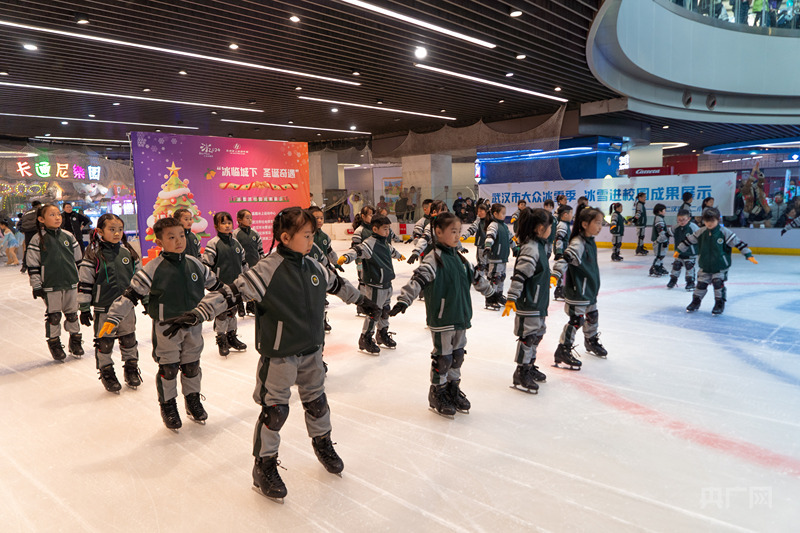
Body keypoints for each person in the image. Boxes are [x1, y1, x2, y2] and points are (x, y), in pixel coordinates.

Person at [161, 207, 381, 501]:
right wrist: (197, 314)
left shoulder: (314, 266)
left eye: (313, 234)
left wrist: (363, 302)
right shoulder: (267, 269)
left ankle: (323, 443)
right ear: (286, 237)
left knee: (317, 403)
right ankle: (263, 465)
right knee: (275, 412)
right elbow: (230, 293)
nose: (311, 239)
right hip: (280, 356)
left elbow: (339, 284)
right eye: (306, 235)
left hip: (312, 352)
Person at [99, 217, 221, 429]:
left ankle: (192, 400)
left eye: (181, 235)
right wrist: (113, 317)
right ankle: (168, 405)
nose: (178, 241)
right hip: (167, 328)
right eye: (171, 237)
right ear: (159, 242)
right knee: (169, 368)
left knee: (192, 366)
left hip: (193, 325)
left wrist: (235, 301)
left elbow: (219, 288)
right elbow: (131, 295)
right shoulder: (153, 268)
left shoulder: (196, 264)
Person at [390, 212, 499, 418]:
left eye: (459, 231)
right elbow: (418, 280)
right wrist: (404, 300)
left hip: (461, 316)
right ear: (438, 232)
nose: (458, 236)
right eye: (453, 231)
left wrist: (491, 294)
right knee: (443, 358)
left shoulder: (460, 259)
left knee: (457, 356)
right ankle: (437, 391)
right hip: (442, 318)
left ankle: (452, 388)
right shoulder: (433, 259)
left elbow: (476, 278)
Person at [78, 214, 142, 392]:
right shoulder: (93, 255)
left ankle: (131, 369)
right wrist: (84, 307)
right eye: (112, 229)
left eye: (120, 230)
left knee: (129, 339)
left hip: (126, 308)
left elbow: (140, 280)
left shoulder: (128, 253)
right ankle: (107, 372)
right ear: (100, 231)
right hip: (104, 308)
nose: (116, 233)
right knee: (105, 342)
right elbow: (84, 282)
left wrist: (145, 298)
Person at [501, 208, 552, 394]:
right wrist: (511, 298)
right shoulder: (531, 248)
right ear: (540, 228)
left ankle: (529, 365)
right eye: (549, 226)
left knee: (537, 335)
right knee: (528, 337)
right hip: (529, 302)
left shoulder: (540, 246)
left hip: (538, 302)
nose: (551, 229)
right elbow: (520, 275)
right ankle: (521, 372)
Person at [338, 216, 405, 354]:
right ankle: (365, 337)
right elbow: (357, 250)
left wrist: (398, 255)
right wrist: (346, 257)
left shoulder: (384, 243)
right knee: (374, 311)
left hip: (387, 283)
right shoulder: (370, 243)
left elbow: (391, 250)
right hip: (375, 286)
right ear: (375, 229)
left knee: (385, 310)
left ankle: (382, 333)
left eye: (389, 229)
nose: (387, 232)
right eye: (385, 229)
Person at [26, 204, 84, 360]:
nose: (57, 217)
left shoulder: (68, 236)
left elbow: (79, 260)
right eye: (52, 215)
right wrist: (36, 285)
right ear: (41, 219)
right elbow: (33, 265)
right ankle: (54, 343)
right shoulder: (38, 239)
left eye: (59, 214)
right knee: (54, 316)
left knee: (72, 314)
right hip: (51, 285)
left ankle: (76, 340)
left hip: (71, 282)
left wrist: (83, 281)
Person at [552, 205, 607, 369]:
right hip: (578, 291)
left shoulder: (589, 241)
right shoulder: (578, 243)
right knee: (576, 321)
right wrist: (556, 274)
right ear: (584, 224)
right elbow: (566, 257)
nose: (600, 226)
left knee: (592, 315)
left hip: (588, 290)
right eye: (597, 223)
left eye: (601, 223)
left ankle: (590, 341)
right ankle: (563, 349)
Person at [678, 207, 757, 315]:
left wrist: (748, 254)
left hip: (720, 265)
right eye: (707, 221)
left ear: (718, 220)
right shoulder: (701, 231)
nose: (709, 224)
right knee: (701, 285)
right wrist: (679, 250)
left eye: (712, 221)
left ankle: (719, 303)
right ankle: (695, 302)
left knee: (718, 283)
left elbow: (738, 243)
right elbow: (689, 240)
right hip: (705, 265)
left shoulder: (724, 232)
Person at [203, 212, 249, 356]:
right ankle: (221, 339)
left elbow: (243, 262)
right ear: (216, 226)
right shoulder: (213, 243)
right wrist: (213, 283)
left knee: (232, 312)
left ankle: (231, 336)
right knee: (222, 313)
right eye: (223, 223)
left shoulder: (236, 243)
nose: (227, 225)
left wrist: (246, 278)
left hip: (235, 285)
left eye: (229, 222)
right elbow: (206, 266)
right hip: (220, 286)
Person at [308, 206, 341, 334]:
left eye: (322, 218)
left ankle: (321, 320)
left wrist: (336, 264)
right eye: (317, 218)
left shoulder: (325, 237)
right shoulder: (305, 235)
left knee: (320, 297)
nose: (320, 221)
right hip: (307, 271)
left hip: (321, 271)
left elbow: (329, 251)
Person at [234, 209, 266, 316]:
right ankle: (240, 306)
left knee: (252, 284)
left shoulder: (254, 233)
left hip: (254, 263)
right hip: (241, 264)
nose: (250, 220)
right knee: (240, 285)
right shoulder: (236, 234)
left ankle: (250, 306)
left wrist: (262, 258)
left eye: (251, 217)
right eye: (247, 218)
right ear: (239, 220)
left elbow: (260, 247)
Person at [484, 203, 512, 310]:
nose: (505, 215)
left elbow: (510, 238)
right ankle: (490, 299)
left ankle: (499, 295)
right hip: (495, 257)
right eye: (503, 213)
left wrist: (515, 248)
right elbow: (490, 236)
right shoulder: (493, 225)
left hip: (503, 257)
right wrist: (488, 246)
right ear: (495, 214)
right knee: (494, 278)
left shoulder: (504, 226)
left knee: (501, 278)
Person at [668, 209, 699, 290]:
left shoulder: (693, 227)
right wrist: (660, 240)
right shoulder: (676, 227)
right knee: (676, 265)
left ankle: (690, 282)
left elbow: (701, 236)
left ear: (688, 218)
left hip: (690, 252)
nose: (681, 222)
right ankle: (673, 280)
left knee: (689, 266)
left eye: (684, 220)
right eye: (679, 220)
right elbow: (667, 234)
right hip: (679, 252)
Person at [460, 201, 491, 271]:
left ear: (486, 211)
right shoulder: (478, 220)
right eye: (478, 211)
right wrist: (465, 236)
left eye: (481, 211)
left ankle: (489, 279)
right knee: (481, 265)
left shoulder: (492, 221)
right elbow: (472, 228)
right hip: (481, 246)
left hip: (490, 247)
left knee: (489, 265)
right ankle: (481, 280)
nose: (479, 213)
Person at [552, 204, 573, 301]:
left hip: (565, 252)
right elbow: (559, 238)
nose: (572, 215)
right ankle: (560, 290)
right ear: (565, 215)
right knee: (562, 271)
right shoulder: (563, 225)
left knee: (565, 271)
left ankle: (562, 289)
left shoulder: (565, 224)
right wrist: (559, 252)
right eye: (571, 213)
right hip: (562, 253)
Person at [18, 200, 42, 273]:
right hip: (36, 230)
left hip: (27, 232)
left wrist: (22, 230)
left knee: (28, 248)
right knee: (40, 246)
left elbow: (19, 223)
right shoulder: (39, 211)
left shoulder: (26, 213)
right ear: (39, 205)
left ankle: (24, 266)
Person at [649, 203, 671, 277]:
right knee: (659, 255)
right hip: (659, 241)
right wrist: (664, 240)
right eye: (664, 210)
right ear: (659, 211)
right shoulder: (659, 219)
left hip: (661, 240)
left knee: (662, 255)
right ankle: (654, 267)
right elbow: (660, 231)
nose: (665, 212)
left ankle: (659, 266)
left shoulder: (659, 218)